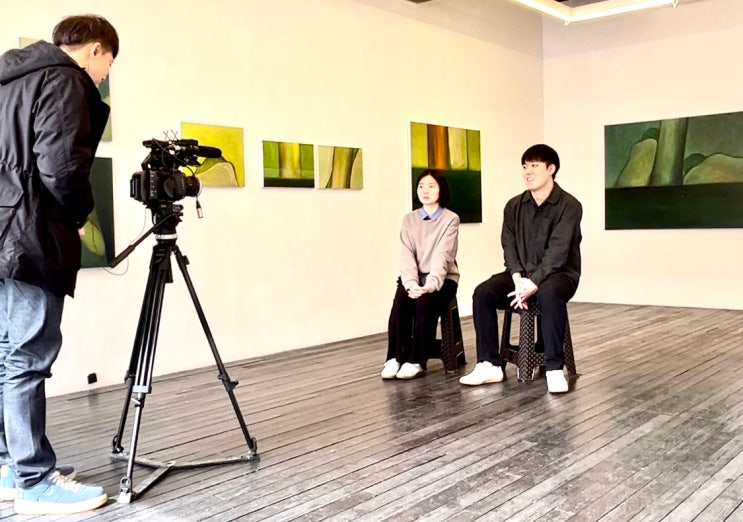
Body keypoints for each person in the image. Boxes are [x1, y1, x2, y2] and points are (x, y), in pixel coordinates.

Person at [0, 14, 118, 514]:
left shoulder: (9, 79)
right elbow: (63, 167)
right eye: (108, 64)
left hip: (3, 233)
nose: (104, 76)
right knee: (28, 357)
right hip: (32, 238)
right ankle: (34, 481)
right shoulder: (65, 80)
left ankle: (10, 466)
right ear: (96, 49)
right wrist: (78, 216)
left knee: (7, 355)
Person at [459, 144, 582, 393]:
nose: (527, 172)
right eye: (525, 166)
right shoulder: (514, 205)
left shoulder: (569, 205)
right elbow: (509, 244)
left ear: (551, 169)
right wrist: (517, 277)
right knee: (483, 293)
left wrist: (532, 283)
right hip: (520, 275)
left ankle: (554, 368)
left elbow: (558, 252)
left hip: (559, 275)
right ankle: (489, 364)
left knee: (549, 294)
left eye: (534, 166)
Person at [381, 169, 460, 380]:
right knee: (401, 303)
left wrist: (429, 286)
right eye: (421, 186)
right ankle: (394, 357)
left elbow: (443, 255)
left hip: (442, 279)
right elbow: (406, 255)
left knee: (425, 303)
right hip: (414, 278)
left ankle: (416, 360)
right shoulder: (409, 219)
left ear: (441, 190)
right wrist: (411, 284)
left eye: (431, 186)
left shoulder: (450, 219)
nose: (425, 190)